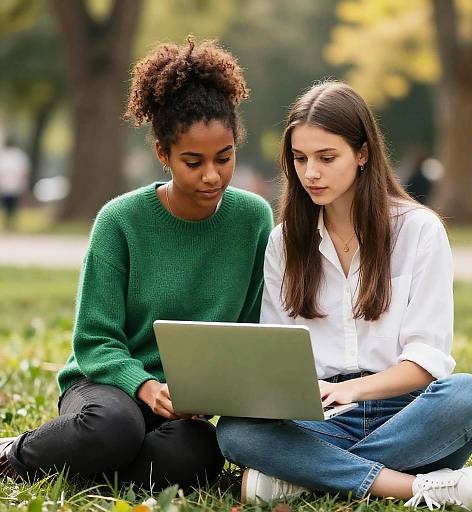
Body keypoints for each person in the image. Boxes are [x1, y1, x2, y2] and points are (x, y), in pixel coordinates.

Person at [0, 37, 273, 492]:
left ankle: (88, 469)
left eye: (224, 158)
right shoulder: (120, 220)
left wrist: (208, 395)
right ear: (163, 155)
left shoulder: (253, 219)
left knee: (197, 453)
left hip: (187, 408)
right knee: (112, 428)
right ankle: (15, 453)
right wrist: (144, 385)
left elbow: (248, 329)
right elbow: (93, 340)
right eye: (193, 162)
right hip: (108, 389)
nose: (212, 175)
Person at [216, 81, 472, 509]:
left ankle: (306, 477)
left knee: (468, 396)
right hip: (318, 418)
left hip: (407, 413)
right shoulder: (285, 243)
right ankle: (411, 486)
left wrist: (355, 390)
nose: (311, 173)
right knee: (235, 430)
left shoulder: (419, 231)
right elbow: (276, 356)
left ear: (362, 154)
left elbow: (427, 361)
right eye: (301, 158)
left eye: (327, 158)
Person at [0, 137, 30, 230]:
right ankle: (9, 222)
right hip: (7, 183)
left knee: (12, 204)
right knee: (8, 204)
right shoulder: (7, 155)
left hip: (12, 183)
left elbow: (23, 170)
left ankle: (12, 221)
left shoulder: (17, 155)